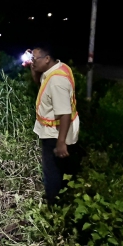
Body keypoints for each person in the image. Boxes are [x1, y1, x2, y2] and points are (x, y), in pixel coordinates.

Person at [23, 43, 80, 206]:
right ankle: (63, 197)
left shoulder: (57, 81)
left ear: (47, 59)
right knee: (61, 169)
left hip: (55, 134)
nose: (32, 61)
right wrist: (33, 68)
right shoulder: (57, 68)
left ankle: (53, 205)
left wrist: (61, 142)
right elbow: (41, 84)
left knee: (52, 172)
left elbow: (65, 113)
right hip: (56, 131)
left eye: (35, 58)